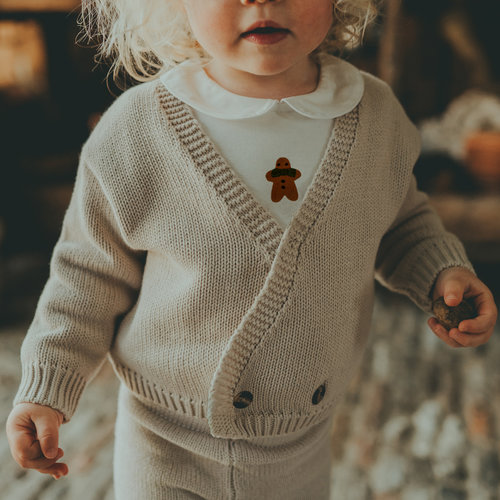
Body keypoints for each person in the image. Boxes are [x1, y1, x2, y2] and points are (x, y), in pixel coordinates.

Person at [6, 0, 498, 498]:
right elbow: (87, 275)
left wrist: (442, 274)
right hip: (166, 441)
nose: (261, 0)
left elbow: (401, 221)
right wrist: (49, 386)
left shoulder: (374, 116)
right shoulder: (137, 131)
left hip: (302, 441)